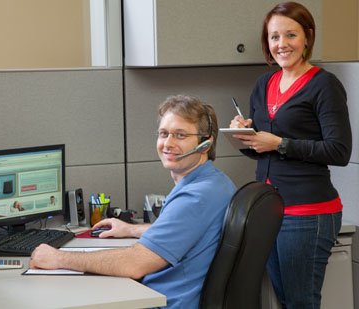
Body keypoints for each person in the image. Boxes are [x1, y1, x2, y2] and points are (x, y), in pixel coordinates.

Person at [30, 94, 236, 308]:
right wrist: (132, 229)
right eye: (164, 133)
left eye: (180, 135)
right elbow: (188, 233)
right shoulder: (216, 183)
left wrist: (59, 258)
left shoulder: (194, 198)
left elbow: (135, 264)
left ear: (205, 144)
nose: (168, 143)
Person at [229, 2, 352, 308]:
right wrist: (243, 139)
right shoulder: (263, 84)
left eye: (290, 35)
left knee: (300, 302)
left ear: (308, 38)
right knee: (285, 301)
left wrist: (280, 143)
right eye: (274, 37)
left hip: (309, 211)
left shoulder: (324, 85)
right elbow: (264, 152)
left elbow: (339, 150)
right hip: (268, 209)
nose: (281, 44)